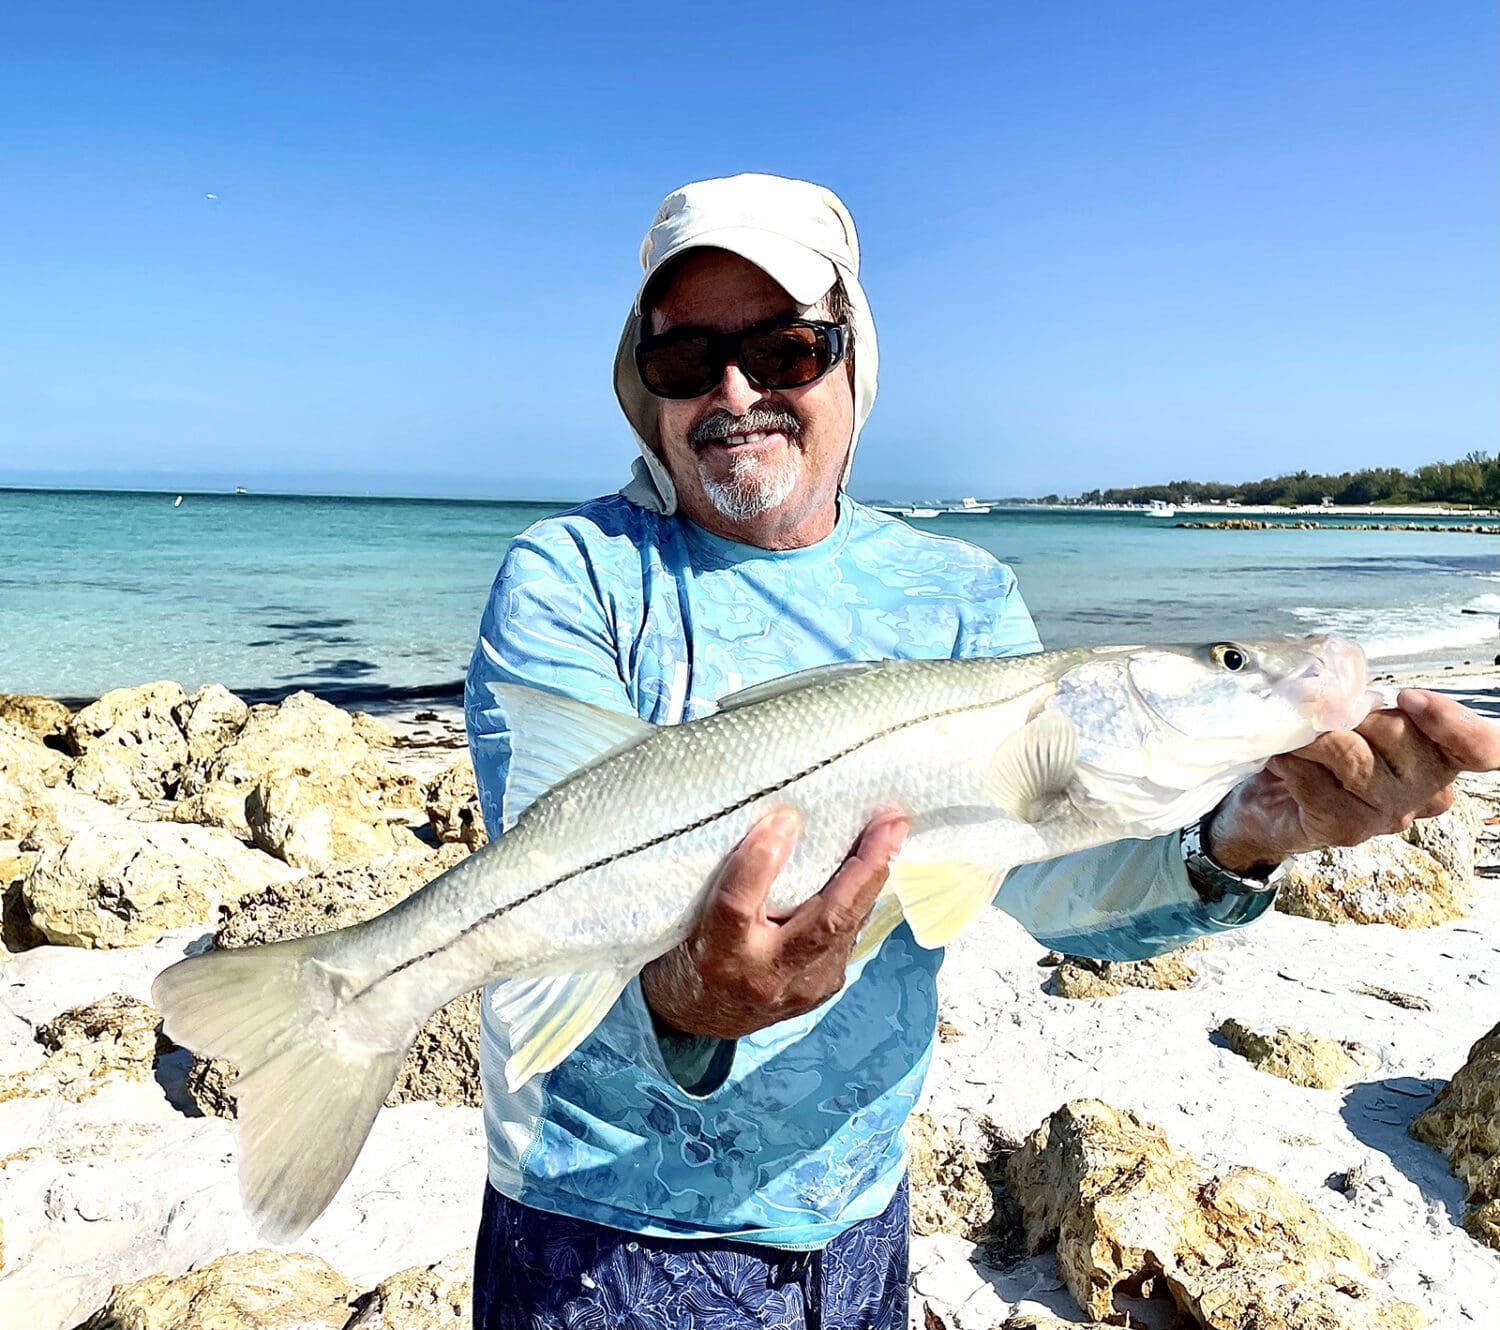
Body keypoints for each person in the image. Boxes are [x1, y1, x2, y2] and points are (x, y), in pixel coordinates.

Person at [464, 173, 1499, 1330]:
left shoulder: (961, 594)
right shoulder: (575, 574)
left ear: (856, 357)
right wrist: (693, 1001)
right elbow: (545, 890)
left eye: (786, 346)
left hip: (859, 1216)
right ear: (638, 382)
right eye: (685, 356)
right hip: (600, 1230)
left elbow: (1047, 884)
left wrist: (1247, 836)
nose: (736, 389)